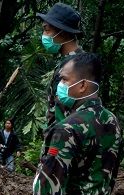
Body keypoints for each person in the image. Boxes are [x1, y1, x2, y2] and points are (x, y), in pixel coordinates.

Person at [16, 53, 122, 195]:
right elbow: (110, 177)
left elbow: (52, 184)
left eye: (65, 80)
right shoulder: (112, 122)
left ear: (82, 85)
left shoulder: (67, 129)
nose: (60, 85)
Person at [38, 2, 85, 130]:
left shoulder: (73, 67)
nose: (43, 35)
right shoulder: (74, 61)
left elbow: (63, 114)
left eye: (47, 30)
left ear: (63, 33)